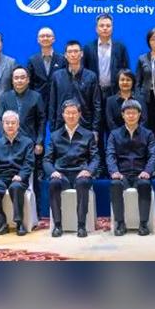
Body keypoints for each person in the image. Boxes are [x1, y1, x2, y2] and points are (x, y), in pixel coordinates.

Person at [45, 100, 99, 238]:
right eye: (68, 113)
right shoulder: (55, 135)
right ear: (63, 114)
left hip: (80, 172)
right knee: (53, 183)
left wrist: (88, 171)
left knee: (83, 182)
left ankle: (81, 226)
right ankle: (58, 225)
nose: (71, 116)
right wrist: (53, 172)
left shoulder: (88, 135)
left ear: (79, 114)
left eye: (74, 113)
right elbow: (46, 160)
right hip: (61, 173)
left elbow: (95, 158)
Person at [105, 99, 155, 236]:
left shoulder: (148, 134)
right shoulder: (114, 134)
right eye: (128, 113)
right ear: (123, 115)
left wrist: (147, 171)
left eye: (134, 113)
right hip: (122, 174)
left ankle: (143, 224)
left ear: (139, 114)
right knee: (115, 184)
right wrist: (114, 171)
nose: (131, 116)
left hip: (141, 173)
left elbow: (153, 155)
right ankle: (120, 223)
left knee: (145, 184)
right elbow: (110, 155)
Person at [0, 67, 47, 208]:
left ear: (28, 80)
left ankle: (35, 211)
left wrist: (39, 142)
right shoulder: (5, 97)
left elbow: (42, 121)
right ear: (12, 80)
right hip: (10, 143)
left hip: (30, 144)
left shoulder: (36, 96)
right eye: (16, 78)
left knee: (33, 179)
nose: (19, 80)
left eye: (22, 77)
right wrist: (5, 138)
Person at [0, 110, 35, 236]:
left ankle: (19, 222)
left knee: (16, 187)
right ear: (3, 125)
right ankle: (1, 222)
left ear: (18, 124)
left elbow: (29, 163)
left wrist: (21, 176)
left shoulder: (27, 142)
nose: (10, 125)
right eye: (7, 123)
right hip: (2, 177)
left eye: (13, 123)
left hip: (19, 177)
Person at [48, 40, 102, 135]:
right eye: (70, 52)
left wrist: (95, 129)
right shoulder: (57, 76)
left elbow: (96, 105)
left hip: (85, 125)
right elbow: (52, 104)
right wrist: (53, 130)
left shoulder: (91, 76)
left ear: (81, 54)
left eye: (76, 51)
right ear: (65, 55)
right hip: (61, 126)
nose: (73, 55)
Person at [83, 13, 131, 101]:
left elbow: (126, 70)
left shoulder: (120, 47)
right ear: (96, 29)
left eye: (108, 26)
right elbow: (84, 71)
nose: (105, 28)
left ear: (112, 28)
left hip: (115, 91)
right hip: (93, 91)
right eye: (101, 26)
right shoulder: (88, 48)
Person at [26, 27, 67, 110]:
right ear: (38, 40)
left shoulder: (62, 59)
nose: (45, 38)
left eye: (48, 36)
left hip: (58, 101)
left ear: (53, 39)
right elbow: (29, 84)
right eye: (42, 36)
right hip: (38, 102)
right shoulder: (32, 60)